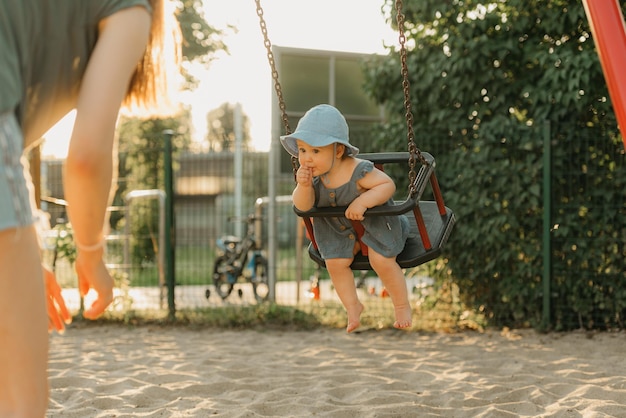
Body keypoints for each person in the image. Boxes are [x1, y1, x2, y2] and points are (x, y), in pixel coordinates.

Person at [0, 0, 181, 416]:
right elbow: (85, 156)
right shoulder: (131, 9)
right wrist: (91, 255)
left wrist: (27, 261)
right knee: (18, 400)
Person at [280, 104, 413, 333]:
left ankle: (401, 305)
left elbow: (387, 185)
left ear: (338, 151)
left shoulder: (358, 169)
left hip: (377, 228)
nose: (307, 159)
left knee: (381, 260)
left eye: (316, 151)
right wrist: (302, 186)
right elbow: (303, 205)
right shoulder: (313, 177)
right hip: (338, 232)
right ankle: (353, 307)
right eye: (302, 150)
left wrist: (363, 201)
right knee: (335, 263)